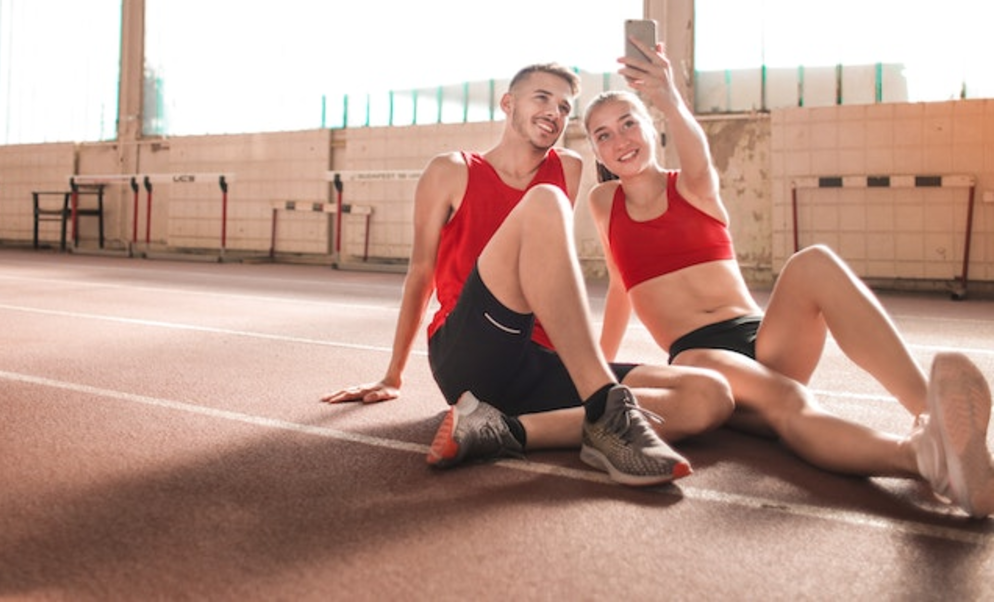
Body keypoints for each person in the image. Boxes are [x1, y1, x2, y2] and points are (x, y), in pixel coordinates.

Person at [581, 38, 994, 516]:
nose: (620, 140)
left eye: (628, 122)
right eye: (603, 134)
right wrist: (598, 379)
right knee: (790, 399)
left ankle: (932, 417)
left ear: (652, 127)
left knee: (813, 261)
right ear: (594, 149)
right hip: (699, 354)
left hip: (764, 337)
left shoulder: (692, 186)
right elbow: (618, 286)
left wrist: (670, 96)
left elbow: (696, 150)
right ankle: (921, 459)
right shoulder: (602, 205)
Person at [323, 62, 733, 486]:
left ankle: (504, 431)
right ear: (508, 103)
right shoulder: (450, 170)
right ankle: (606, 407)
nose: (554, 112)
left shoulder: (568, 168)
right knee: (544, 203)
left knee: (710, 395)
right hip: (469, 353)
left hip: (535, 364)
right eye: (542, 98)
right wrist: (394, 374)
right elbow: (421, 274)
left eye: (564, 106)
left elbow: (546, 265)